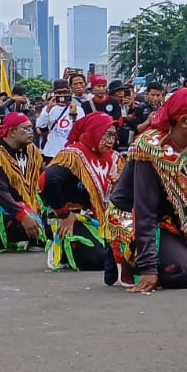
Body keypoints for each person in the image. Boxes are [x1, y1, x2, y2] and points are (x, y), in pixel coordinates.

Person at [113, 87, 187, 291]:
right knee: (185, 272)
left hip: (175, 217)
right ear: (184, 121)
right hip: (140, 219)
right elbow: (144, 211)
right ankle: (133, 260)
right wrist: (148, 268)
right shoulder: (150, 148)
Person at [40, 112, 119, 278]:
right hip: (68, 218)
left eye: (113, 135)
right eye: (107, 135)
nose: (111, 141)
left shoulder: (111, 157)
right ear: (94, 132)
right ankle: (62, 250)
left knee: (122, 253)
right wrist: (64, 213)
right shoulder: (73, 154)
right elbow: (46, 180)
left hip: (98, 219)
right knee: (99, 259)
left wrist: (119, 180)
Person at [0, 111, 47, 253]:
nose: (30, 132)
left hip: (27, 204)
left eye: (31, 128)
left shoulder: (32, 150)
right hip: (0, 208)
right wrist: (23, 215)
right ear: (12, 132)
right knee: (40, 231)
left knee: (52, 226)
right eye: (25, 129)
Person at [37, 80, 82, 158]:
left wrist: (73, 114)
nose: (62, 95)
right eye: (59, 93)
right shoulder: (48, 108)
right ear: (54, 93)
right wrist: (48, 108)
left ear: (69, 92)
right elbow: (40, 126)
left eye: (65, 92)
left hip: (70, 152)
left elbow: (80, 130)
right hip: (51, 153)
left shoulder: (77, 109)